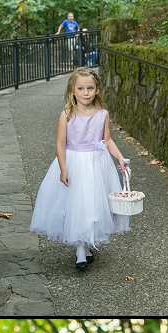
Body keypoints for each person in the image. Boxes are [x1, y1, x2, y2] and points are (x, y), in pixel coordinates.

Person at [29, 67, 129, 270]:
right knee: (78, 204)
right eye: (81, 88)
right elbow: (60, 144)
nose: (86, 93)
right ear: (72, 91)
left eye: (90, 88)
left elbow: (107, 139)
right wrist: (63, 168)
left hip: (97, 164)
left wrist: (120, 158)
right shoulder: (67, 114)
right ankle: (80, 249)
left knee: (92, 204)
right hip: (74, 163)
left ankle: (87, 242)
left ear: (97, 90)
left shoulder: (102, 114)